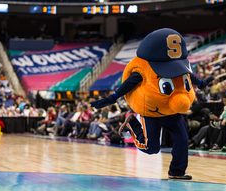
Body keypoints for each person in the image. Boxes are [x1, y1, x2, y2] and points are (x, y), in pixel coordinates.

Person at [90, 28, 214, 180]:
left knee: (182, 141)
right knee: (151, 148)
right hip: (152, 112)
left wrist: (201, 84)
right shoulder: (145, 68)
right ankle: (132, 123)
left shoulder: (179, 64)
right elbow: (129, 83)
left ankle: (176, 171)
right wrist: (112, 98)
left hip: (171, 110)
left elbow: (189, 76)